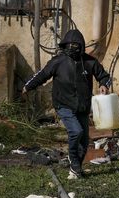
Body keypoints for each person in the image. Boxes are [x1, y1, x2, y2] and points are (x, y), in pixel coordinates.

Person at [21, 28, 112, 180]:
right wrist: (28, 86)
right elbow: (42, 75)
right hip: (63, 104)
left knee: (84, 140)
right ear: (64, 46)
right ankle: (74, 162)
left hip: (82, 106)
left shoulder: (89, 62)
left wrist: (104, 84)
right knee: (76, 131)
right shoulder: (58, 61)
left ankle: (76, 169)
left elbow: (105, 76)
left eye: (76, 45)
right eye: (70, 45)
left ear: (81, 46)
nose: (73, 48)